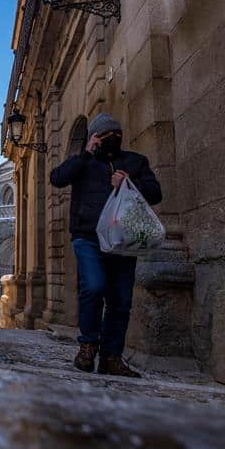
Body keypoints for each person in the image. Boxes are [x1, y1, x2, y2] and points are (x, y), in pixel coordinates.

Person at [49, 113, 162, 377]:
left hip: (124, 241)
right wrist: (84, 155)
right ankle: (88, 345)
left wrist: (129, 184)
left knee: (121, 301)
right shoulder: (82, 163)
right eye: (104, 135)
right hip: (87, 237)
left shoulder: (135, 162)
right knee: (94, 285)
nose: (112, 139)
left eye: (115, 134)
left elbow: (156, 193)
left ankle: (111, 357)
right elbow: (57, 178)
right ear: (93, 138)